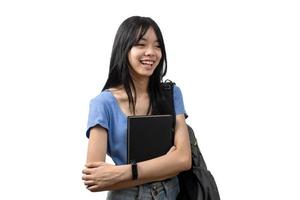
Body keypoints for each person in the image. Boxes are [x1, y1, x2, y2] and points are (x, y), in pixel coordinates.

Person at [82, 16, 191, 200]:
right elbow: (95, 179)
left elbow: (183, 159)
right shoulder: (102, 104)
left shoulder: (171, 93)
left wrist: (124, 172)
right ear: (124, 49)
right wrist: (165, 168)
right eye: (141, 44)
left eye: (157, 46)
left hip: (171, 194)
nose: (151, 52)